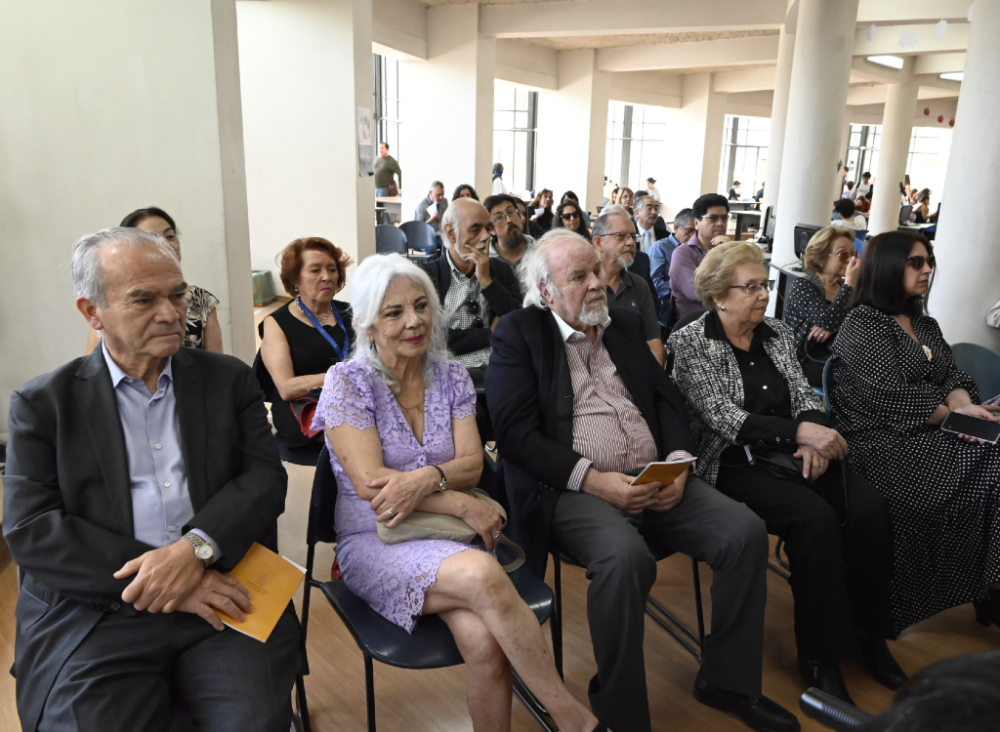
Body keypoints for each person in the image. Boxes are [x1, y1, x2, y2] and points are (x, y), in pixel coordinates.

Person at [487, 231, 798, 732]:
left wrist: (677, 462)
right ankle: (621, 715)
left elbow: (667, 399)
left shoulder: (623, 326)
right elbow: (516, 436)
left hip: (658, 478)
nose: (596, 285)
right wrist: (594, 481)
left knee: (744, 533)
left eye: (596, 271)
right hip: (572, 488)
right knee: (624, 558)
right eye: (579, 277)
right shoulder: (520, 334)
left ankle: (728, 681)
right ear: (546, 291)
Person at [5, 228, 299, 732]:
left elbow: (263, 479)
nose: (170, 313)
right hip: (100, 610)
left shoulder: (227, 380)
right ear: (91, 312)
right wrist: (168, 583)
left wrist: (194, 551)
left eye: (177, 294)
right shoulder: (44, 404)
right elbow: (32, 528)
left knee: (252, 722)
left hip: (222, 590)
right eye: (143, 298)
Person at [313, 254, 608, 732]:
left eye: (421, 305)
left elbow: (472, 464)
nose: (414, 321)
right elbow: (376, 491)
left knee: (486, 645)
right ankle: (571, 716)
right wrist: (460, 501)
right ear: (367, 325)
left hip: (446, 535)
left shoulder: (450, 376)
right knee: (481, 571)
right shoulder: (348, 383)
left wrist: (427, 479)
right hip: (375, 539)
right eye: (394, 313)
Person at [669, 241, 902, 705]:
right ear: (719, 296)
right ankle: (822, 656)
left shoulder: (774, 331)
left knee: (870, 508)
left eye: (764, 284)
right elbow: (723, 418)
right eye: (750, 286)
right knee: (812, 520)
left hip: (793, 450)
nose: (762, 295)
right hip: (734, 462)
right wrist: (802, 433)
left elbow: (804, 393)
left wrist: (811, 430)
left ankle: (870, 634)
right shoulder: (689, 341)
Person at [830, 231, 1000, 633]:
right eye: (915, 262)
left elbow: (952, 376)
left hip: (927, 434)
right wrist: (959, 420)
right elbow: (892, 398)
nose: (927, 270)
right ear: (887, 267)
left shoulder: (923, 321)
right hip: (880, 443)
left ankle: (989, 584)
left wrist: (965, 406)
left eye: (928, 262)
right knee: (994, 459)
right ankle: (990, 586)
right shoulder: (863, 323)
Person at [256, 237, 354, 451]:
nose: (327, 277)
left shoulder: (351, 312)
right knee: (352, 430)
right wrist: (340, 376)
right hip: (304, 406)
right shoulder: (276, 323)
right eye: (315, 271)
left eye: (332, 269)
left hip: (354, 397)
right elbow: (286, 388)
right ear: (295, 279)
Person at [85, 207, 222, 354]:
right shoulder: (112, 302)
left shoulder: (202, 299)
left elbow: (217, 365)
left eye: (169, 236)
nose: (165, 244)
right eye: (144, 300)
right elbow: (93, 366)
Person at [419, 197, 521, 377]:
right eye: (475, 230)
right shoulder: (427, 276)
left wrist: (487, 282)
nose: (486, 236)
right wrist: (490, 334)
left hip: (497, 372)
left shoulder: (501, 271)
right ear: (451, 234)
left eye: (488, 228)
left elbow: (517, 322)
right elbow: (432, 337)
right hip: (446, 376)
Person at [783, 227, 861, 387]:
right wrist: (850, 284)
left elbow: (860, 322)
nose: (850, 260)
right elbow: (828, 321)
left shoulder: (844, 288)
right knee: (862, 379)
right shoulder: (804, 286)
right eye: (843, 254)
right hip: (806, 358)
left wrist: (838, 326)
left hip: (839, 354)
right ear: (821, 257)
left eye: (853, 254)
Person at [591, 210, 662, 364]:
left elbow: (653, 341)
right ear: (598, 243)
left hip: (634, 373)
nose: (631, 243)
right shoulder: (584, 285)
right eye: (621, 236)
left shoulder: (639, 285)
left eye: (633, 236)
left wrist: (653, 383)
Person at [669, 193, 732, 320]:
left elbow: (746, 287)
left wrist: (729, 252)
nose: (720, 223)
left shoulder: (729, 249)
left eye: (724, 218)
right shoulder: (683, 253)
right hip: (697, 327)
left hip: (730, 321)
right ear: (697, 223)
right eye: (713, 218)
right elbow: (697, 294)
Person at [649, 208, 696, 328]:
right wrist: (683, 287)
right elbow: (654, 285)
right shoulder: (660, 248)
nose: (693, 236)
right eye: (689, 231)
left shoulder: (696, 249)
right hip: (670, 307)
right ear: (676, 227)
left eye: (696, 232)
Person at [485, 193, 537, 274]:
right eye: (499, 217)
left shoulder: (537, 251)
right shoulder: (487, 260)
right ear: (491, 229)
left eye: (510, 212)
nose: (509, 220)